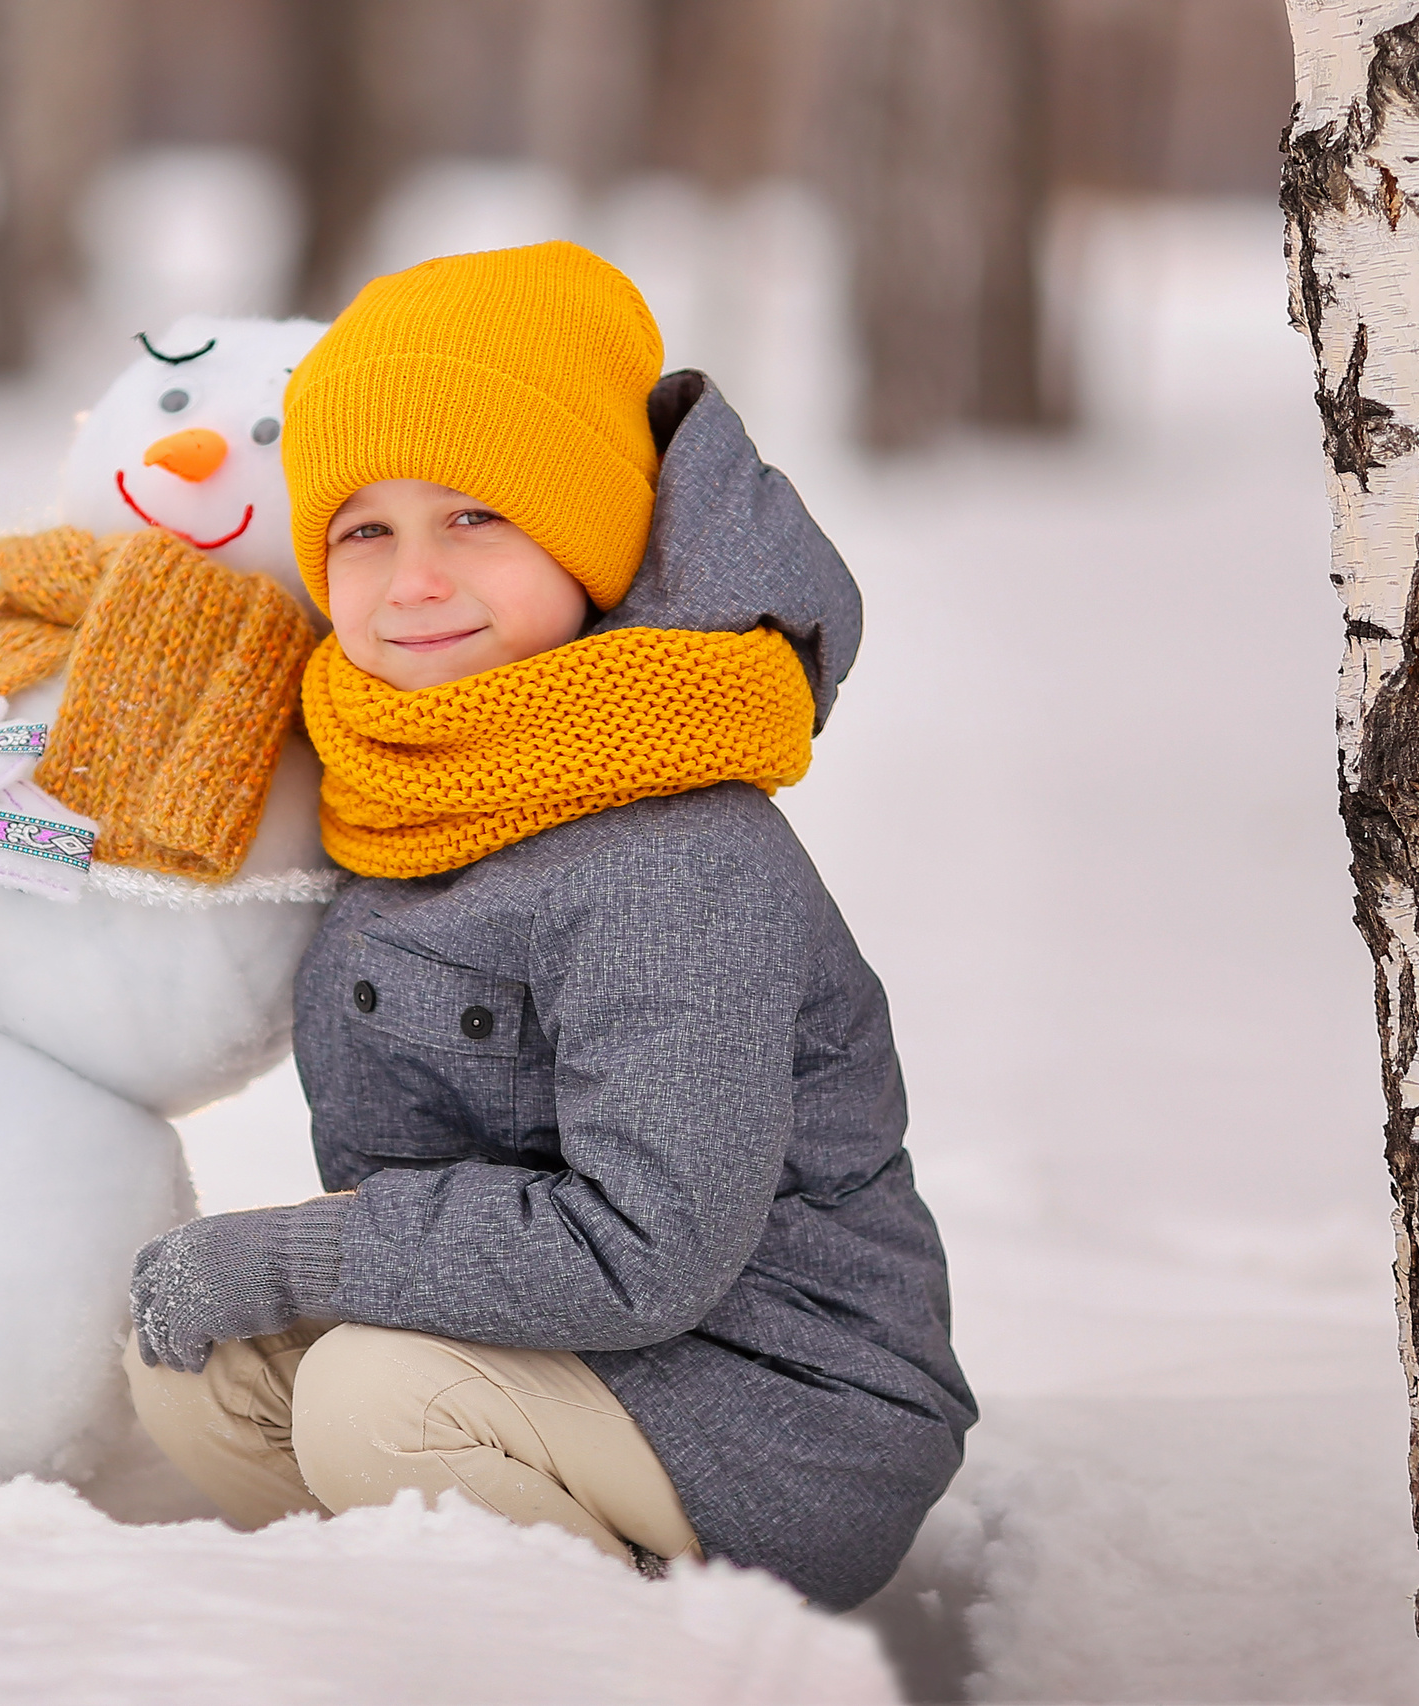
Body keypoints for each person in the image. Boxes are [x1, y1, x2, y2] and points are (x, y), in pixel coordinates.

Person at [122, 241, 973, 1610]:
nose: (412, 581)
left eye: (476, 518)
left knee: (370, 1401)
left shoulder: (671, 846)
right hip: (552, 1340)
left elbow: (646, 1248)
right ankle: (421, 1621)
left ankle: (627, 1647)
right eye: (365, 529)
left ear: (590, 533)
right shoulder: (407, 772)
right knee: (199, 1369)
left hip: (778, 1400)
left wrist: (293, 1254)